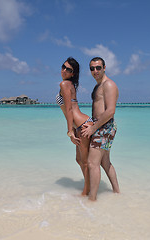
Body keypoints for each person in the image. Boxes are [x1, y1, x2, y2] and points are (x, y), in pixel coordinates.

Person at [81, 57, 120, 201]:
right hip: (102, 126)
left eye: (98, 67)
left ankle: (92, 199)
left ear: (104, 67)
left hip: (104, 126)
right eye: (92, 68)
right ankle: (117, 193)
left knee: (92, 164)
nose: (95, 71)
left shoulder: (108, 85)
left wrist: (93, 128)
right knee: (105, 162)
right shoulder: (98, 86)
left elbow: (110, 111)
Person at [56, 57, 93, 196]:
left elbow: (70, 110)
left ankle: (86, 191)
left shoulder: (65, 84)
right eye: (63, 67)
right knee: (80, 160)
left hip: (82, 125)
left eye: (68, 69)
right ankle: (89, 187)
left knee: (84, 162)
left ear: (73, 73)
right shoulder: (70, 85)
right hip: (81, 124)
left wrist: (69, 131)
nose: (64, 70)